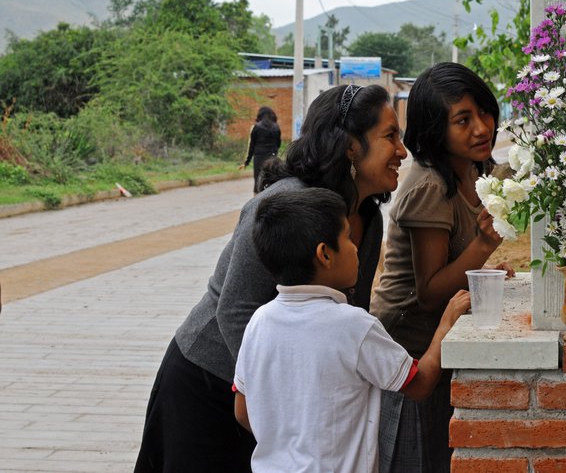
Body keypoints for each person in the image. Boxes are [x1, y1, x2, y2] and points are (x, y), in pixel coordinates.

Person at [134, 84, 407, 472]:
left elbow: (347, 313)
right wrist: (279, 397)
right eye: (390, 136)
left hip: (273, 401)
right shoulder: (281, 206)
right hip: (210, 382)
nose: (402, 151)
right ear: (349, 145)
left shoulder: (367, 219)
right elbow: (235, 310)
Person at [233, 188, 471, 472]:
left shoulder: (260, 320)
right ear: (325, 255)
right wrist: (446, 325)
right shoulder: (353, 325)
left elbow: (243, 411)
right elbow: (419, 384)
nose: (355, 247)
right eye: (346, 237)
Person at [370, 62, 514, 472]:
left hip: (438, 341)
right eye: (462, 120)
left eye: (484, 112)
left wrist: (482, 273)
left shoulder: (474, 169)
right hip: (408, 348)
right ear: (435, 130)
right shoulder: (430, 185)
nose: (482, 128)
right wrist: (485, 246)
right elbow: (430, 290)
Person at [239, 106, 282, 194]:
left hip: (259, 158)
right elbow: (278, 144)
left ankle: (257, 201)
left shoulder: (256, 127)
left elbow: (252, 146)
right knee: (270, 180)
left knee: (258, 181)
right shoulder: (276, 128)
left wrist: (246, 162)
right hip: (272, 158)